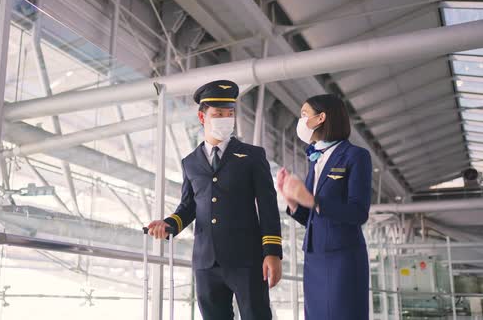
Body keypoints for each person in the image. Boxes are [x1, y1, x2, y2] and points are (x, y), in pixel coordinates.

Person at [147, 80, 283, 320]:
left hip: (247, 259)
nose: (225, 118)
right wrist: (169, 225)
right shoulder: (190, 162)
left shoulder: (252, 156)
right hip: (205, 262)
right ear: (202, 117)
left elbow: (268, 206)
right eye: (218, 113)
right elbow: (188, 206)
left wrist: (272, 252)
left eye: (229, 113)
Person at [276, 94, 372, 320]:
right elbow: (313, 217)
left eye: (304, 115)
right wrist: (292, 201)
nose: (301, 121)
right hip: (314, 257)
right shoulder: (316, 159)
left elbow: (358, 212)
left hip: (342, 257)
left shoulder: (356, 156)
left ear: (321, 118)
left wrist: (313, 200)